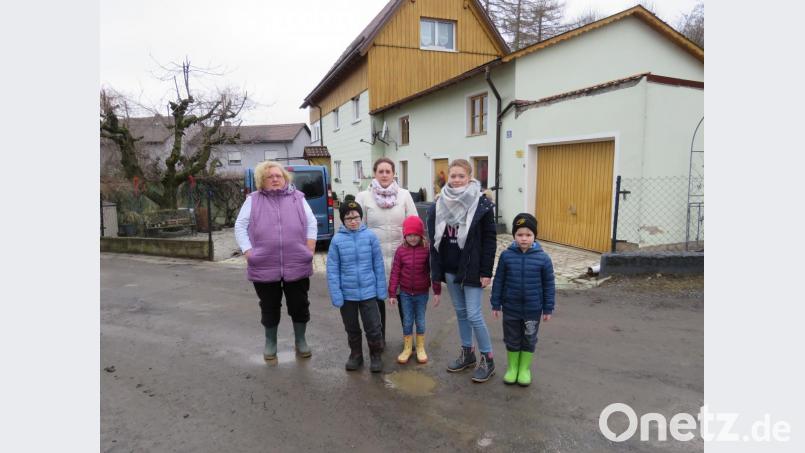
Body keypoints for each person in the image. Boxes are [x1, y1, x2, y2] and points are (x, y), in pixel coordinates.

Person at [234, 161, 317, 363]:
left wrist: (309, 249)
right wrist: (248, 251)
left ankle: (301, 340)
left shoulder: (298, 198)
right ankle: (270, 343)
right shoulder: (253, 200)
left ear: (285, 178)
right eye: (270, 176)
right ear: (262, 180)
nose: (275, 179)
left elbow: (311, 222)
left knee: (299, 304)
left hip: (296, 261)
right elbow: (240, 226)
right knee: (269, 306)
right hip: (263, 263)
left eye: (278, 175)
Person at [427, 159, 498, 383]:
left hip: (473, 269)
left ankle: (488, 358)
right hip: (450, 267)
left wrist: (487, 271)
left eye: (461, 176)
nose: (456, 180)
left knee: (474, 314)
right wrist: (436, 273)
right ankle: (467, 353)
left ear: (469, 178)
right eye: (453, 176)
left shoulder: (481, 204)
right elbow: (434, 241)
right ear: (448, 178)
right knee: (460, 313)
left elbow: (489, 240)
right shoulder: (439, 203)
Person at [355, 157, 417, 342]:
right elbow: (359, 229)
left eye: (387, 171)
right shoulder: (363, 197)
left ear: (393, 173)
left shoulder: (404, 195)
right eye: (380, 171)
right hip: (375, 259)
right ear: (374, 173)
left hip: (401, 260)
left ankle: (408, 339)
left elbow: (413, 223)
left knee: (404, 301)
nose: (384, 175)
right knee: (376, 302)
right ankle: (378, 340)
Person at [491, 213, 555, 386]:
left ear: (534, 236)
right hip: (511, 308)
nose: (524, 238)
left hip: (533, 310)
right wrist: (495, 303)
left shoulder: (543, 259)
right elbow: (499, 280)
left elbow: (549, 285)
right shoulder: (506, 256)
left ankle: (524, 369)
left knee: (529, 338)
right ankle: (513, 368)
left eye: (528, 235)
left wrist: (548, 309)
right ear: (514, 236)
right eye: (520, 234)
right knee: (511, 338)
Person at [327, 201, 388, 373]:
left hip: (369, 293)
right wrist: (336, 294)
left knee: (373, 326)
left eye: (356, 217)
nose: (353, 221)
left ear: (361, 218)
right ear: (343, 220)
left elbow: (378, 264)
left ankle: (375, 355)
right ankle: (356, 354)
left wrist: (380, 290)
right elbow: (332, 270)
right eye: (348, 218)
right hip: (348, 295)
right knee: (352, 327)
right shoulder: (337, 241)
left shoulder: (370, 237)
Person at [388, 216, 441, 364]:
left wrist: (437, 291)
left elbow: (433, 270)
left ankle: (420, 347)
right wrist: (392, 292)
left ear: (421, 234)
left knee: (421, 321)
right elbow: (395, 271)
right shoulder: (400, 251)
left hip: (422, 293)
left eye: (415, 235)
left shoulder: (426, 249)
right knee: (407, 321)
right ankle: (407, 348)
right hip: (405, 293)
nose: (412, 238)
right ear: (405, 235)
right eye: (409, 235)